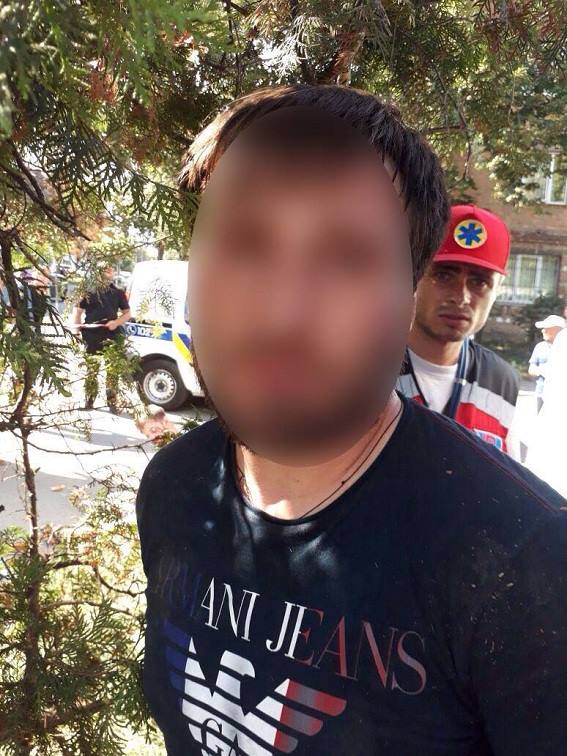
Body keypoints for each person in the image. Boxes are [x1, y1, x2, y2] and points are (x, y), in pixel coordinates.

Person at [136, 86, 567, 756]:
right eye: (245, 243)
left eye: (347, 259)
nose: (282, 313)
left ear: (406, 294)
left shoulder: (528, 564)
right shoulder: (172, 487)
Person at [397, 205, 519, 454]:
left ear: (497, 290)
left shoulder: (502, 381)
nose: (461, 297)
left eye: (479, 282)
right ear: (414, 276)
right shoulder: (365, 370)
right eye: (443, 276)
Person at [71, 265, 131, 410]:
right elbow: (77, 313)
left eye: (110, 270)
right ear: (97, 273)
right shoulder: (88, 292)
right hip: (91, 337)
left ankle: (112, 403)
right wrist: (76, 333)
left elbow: (127, 314)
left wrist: (116, 323)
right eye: (105, 269)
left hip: (112, 336)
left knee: (112, 372)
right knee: (92, 370)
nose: (108, 272)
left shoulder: (118, 293)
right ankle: (89, 401)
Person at [528, 315, 565, 413]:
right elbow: (531, 368)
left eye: (546, 328)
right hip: (541, 393)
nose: (543, 331)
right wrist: (542, 371)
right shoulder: (540, 347)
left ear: (558, 330)